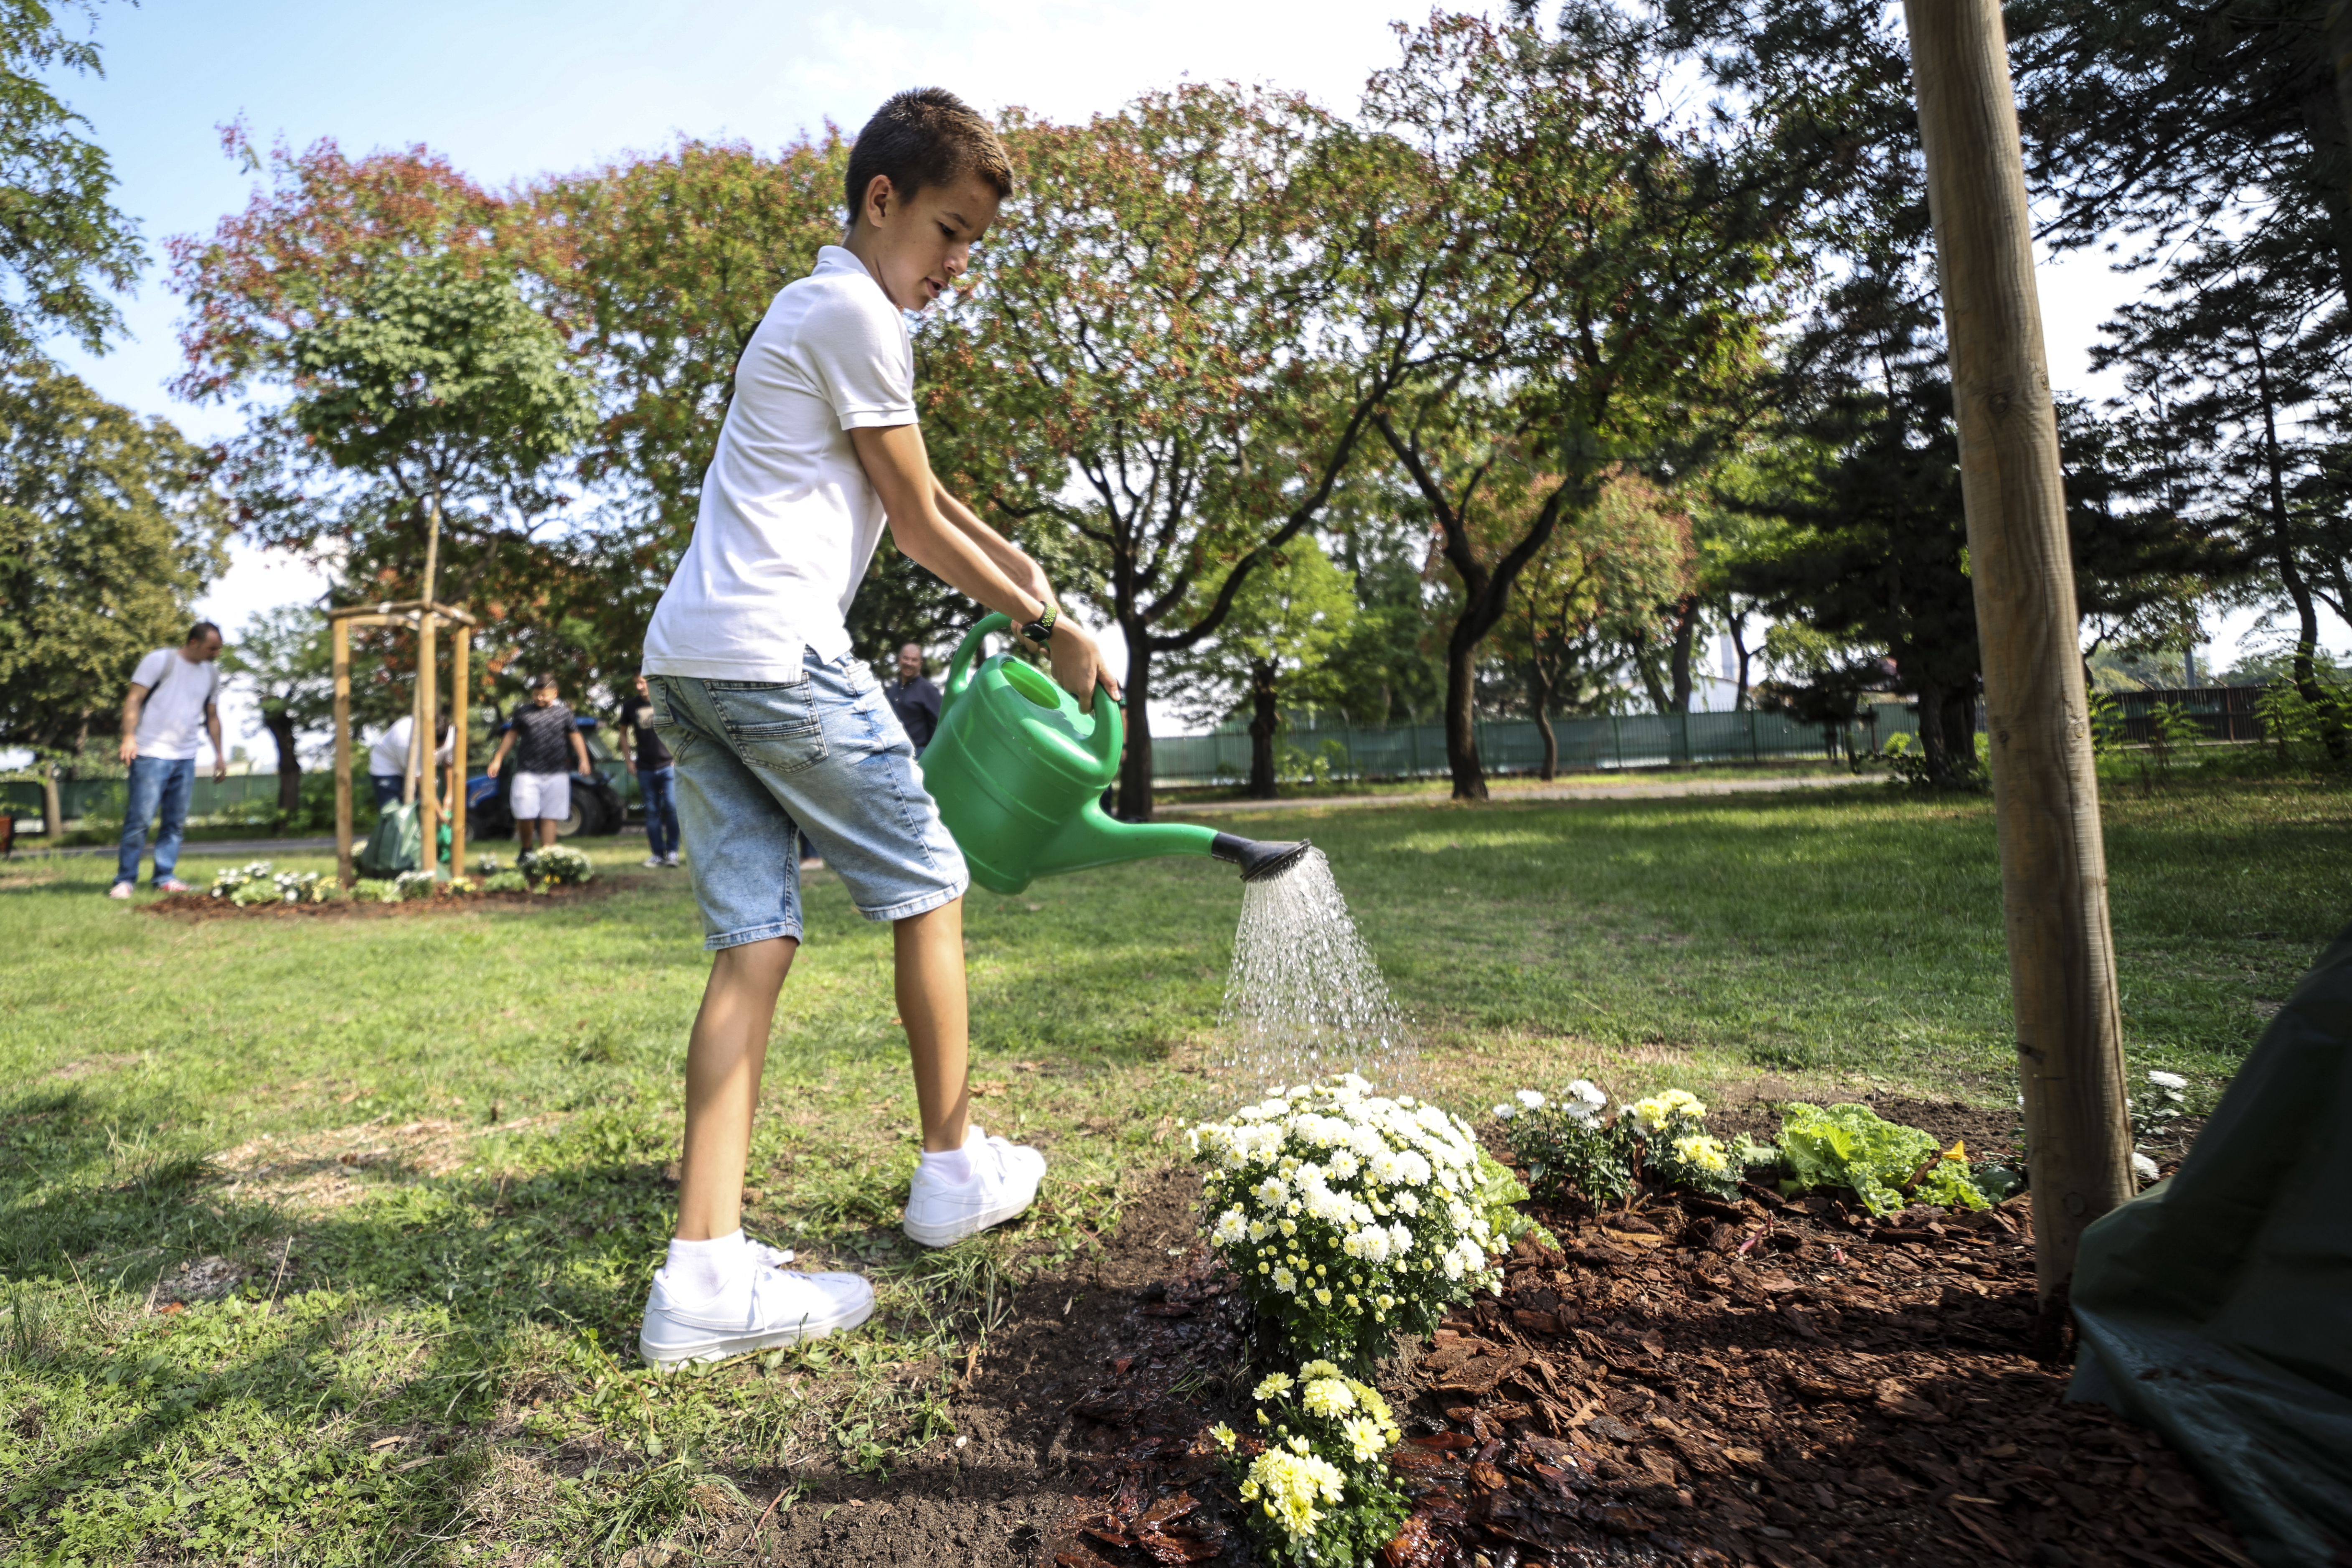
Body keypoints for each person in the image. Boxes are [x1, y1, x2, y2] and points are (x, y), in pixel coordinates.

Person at [632, 88, 1118, 1367]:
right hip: (772, 654)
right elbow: (911, 526)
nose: (959, 265)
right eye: (949, 231)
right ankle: (952, 1170)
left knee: (753, 943)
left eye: (976, 245)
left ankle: (701, 1276)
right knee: (931, 880)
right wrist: (1043, 627)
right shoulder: (853, 307)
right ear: (882, 200)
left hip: (688, 661)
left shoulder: (820, 316)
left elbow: (930, 494)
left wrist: (1034, 584)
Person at [109, 622, 226, 898]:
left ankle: (165, 876)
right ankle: (125, 880)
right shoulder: (160, 660)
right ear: (194, 642)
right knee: (140, 818)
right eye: (212, 648)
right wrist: (129, 737)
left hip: (185, 755)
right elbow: (134, 699)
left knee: (175, 822)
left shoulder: (211, 673)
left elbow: (212, 716)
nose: (217, 653)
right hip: (150, 752)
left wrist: (220, 754)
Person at [483, 676, 590, 853]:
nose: (540, 698)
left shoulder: (564, 713)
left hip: (557, 773)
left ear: (555, 694)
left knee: (550, 816)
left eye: (544, 695)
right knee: (524, 813)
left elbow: (576, 736)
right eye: (536, 695)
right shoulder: (523, 713)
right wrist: (498, 759)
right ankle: (527, 850)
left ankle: (546, 856)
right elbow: (511, 736)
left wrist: (584, 760)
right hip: (527, 772)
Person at [615, 673, 680, 869]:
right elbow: (623, 734)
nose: (640, 687)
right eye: (636, 683)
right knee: (652, 812)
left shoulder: (665, 701)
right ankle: (657, 855)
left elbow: (679, 729)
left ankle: (673, 853)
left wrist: (677, 757)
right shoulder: (630, 706)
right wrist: (629, 761)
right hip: (645, 767)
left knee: (672, 806)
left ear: (650, 683)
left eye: (643, 682)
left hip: (668, 765)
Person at [367, 711, 455, 812]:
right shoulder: (407, 741)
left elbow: (449, 764)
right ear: (426, 738)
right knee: (395, 814)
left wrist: (450, 795)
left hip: (416, 770)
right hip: (387, 769)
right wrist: (440, 814)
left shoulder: (452, 736)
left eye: (439, 747)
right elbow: (423, 784)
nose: (435, 751)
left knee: (424, 811)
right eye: (432, 747)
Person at [886, 643, 942, 755]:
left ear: (921, 664)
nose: (909, 663)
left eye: (914, 660)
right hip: (892, 754)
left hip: (917, 755)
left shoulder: (928, 690)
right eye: (906, 658)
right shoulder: (893, 690)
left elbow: (940, 725)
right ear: (899, 660)